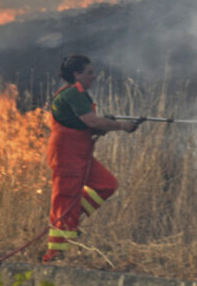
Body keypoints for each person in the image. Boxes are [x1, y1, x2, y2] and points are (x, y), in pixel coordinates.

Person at [42, 54, 139, 263]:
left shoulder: (79, 95)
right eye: (89, 73)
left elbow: (89, 125)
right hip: (65, 154)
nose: (93, 77)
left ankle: (72, 220)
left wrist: (105, 125)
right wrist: (121, 126)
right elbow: (91, 121)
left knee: (107, 185)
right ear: (77, 75)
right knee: (65, 198)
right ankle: (55, 254)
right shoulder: (73, 93)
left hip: (80, 153)